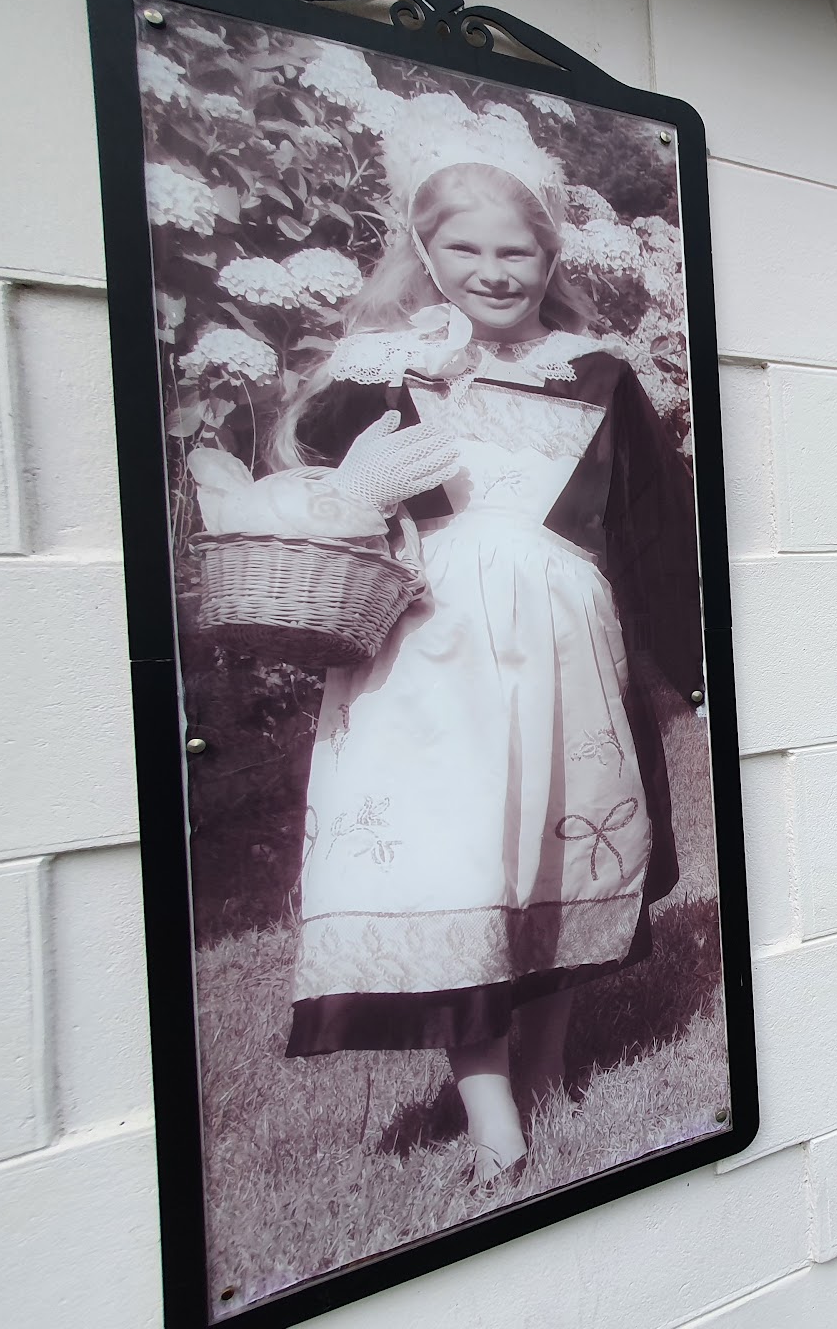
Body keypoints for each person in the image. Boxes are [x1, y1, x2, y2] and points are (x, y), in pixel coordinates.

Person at [240, 94, 700, 1184]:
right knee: (457, 862)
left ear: (550, 257)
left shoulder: (597, 375)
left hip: (567, 642)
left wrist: (688, 666)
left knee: (552, 858)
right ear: (426, 252)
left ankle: (540, 1079)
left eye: (517, 253)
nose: (493, 273)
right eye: (466, 250)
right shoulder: (385, 367)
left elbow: (654, 531)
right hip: (430, 653)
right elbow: (312, 485)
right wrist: (356, 442)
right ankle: (493, 1119)